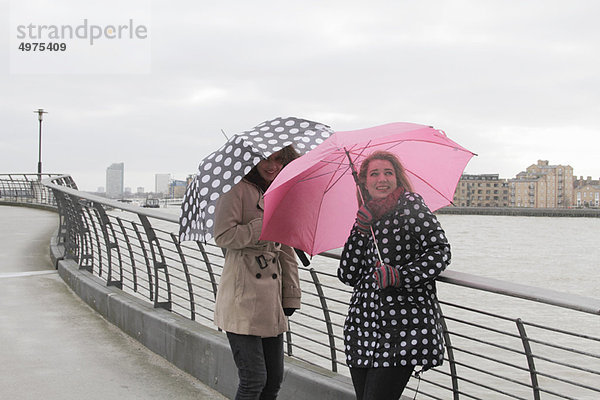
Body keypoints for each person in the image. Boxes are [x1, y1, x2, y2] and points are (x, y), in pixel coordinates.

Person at [337, 150, 451, 400]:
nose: (382, 179)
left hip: (402, 328)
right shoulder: (365, 215)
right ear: (364, 182)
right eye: (374, 174)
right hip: (362, 328)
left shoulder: (411, 206)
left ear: (397, 178)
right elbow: (347, 273)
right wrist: (360, 230)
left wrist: (401, 276)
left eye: (388, 173)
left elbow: (440, 251)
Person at [213, 146, 302, 400]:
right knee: (254, 380)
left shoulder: (278, 191)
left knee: (273, 380)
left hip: (271, 301)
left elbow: (285, 249)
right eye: (265, 158)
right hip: (243, 297)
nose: (271, 165)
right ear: (252, 161)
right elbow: (223, 235)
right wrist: (260, 225)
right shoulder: (235, 189)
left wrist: (291, 296)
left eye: (278, 159)